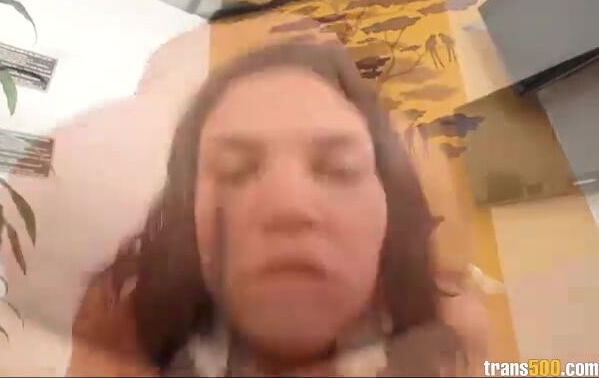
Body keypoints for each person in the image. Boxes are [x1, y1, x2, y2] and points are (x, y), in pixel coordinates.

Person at [67, 38, 488, 377]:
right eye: (235, 171)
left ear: (390, 203)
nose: (289, 205)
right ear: (186, 209)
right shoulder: (127, 314)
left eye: (338, 168)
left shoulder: (450, 333)